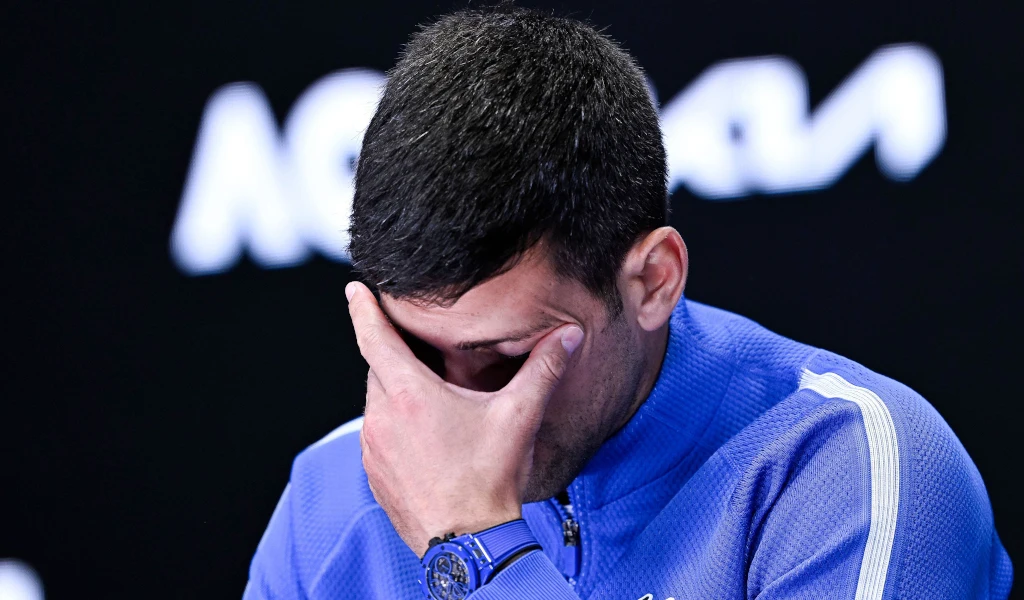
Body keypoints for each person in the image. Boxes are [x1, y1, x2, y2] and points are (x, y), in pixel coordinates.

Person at [243, 6, 1013, 599]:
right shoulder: (331, 494)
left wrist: (474, 544)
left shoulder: (850, 466)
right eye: (414, 354)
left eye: (507, 360)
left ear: (652, 281)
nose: (451, 416)